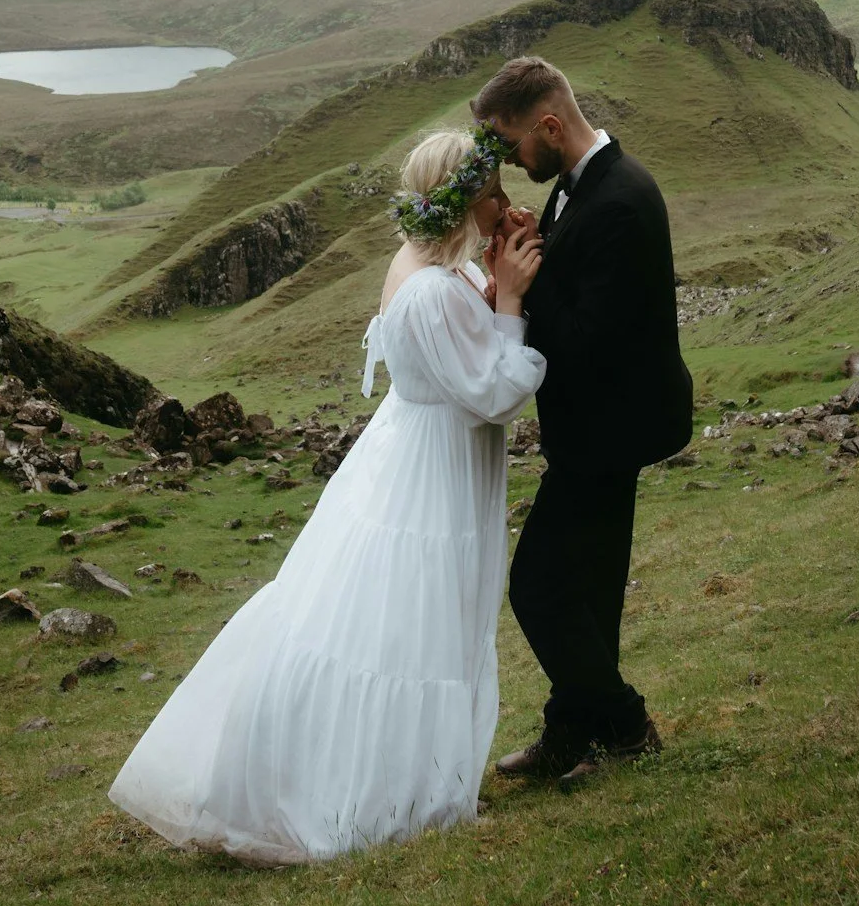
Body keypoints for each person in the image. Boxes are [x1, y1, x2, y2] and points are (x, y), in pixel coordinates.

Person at [108, 127, 544, 863]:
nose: (505, 204)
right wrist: (513, 305)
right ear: (461, 203)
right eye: (491, 194)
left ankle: (410, 777)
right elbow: (492, 393)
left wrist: (497, 280)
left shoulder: (423, 265)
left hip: (408, 451)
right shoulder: (434, 290)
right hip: (433, 469)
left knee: (394, 618)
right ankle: (391, 794)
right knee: (418, 622)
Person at [471, 55, 694, 789]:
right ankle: (572, 731)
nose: (508, 160)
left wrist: (519, 293)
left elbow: (587, 339)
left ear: (550, 125)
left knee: (538, 587)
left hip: (610, 431)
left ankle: (626, 726)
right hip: (594, 431)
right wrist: (538, 247)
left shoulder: (621, 200)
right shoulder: (580, 188)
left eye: (511, 145)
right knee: (590, 592)